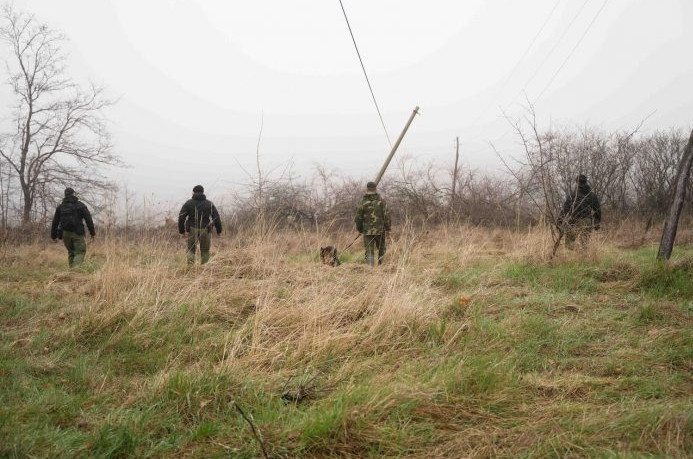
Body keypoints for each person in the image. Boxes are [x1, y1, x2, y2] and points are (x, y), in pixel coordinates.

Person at [50, 187, 95, 267]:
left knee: (71, 252)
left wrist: (53, 236)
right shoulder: (80, 205)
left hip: (65, 234)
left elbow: (55, 222)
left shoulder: (60, 207)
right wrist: (92, 233)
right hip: (78, 233)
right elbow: (89, 219)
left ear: (65, 195)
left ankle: (71, 272)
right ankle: (75, 271)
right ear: (73, 194)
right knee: (80, 252)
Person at [178, 185, 222, 264]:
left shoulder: (188, 203)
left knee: (191, 250)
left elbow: (181, 217)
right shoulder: (209, 203)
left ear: (193, 192)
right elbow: (216, 218)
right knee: (205, 250)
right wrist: (219, 231)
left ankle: (190, 268)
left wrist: (182, 231)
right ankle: (205, 269)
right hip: (205, 229)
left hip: (192, 229)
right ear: (202, 192)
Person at [559, 174, 601, 249]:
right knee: (584, 245)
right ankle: (582, 254)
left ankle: (574, 253)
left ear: (577, 182)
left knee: (569, 244)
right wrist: (596, 223)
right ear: (586, 182)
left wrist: (560, 220)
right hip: (587, 221)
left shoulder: (573, 195)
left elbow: (565, 208)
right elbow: (597, 210)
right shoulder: (592, 195)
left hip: (574, 221)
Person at [355, 181, 391, 266]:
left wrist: (360, 230)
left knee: (369, 251)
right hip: (380, 230)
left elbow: (358, 218)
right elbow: (387, 216)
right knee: (381, 249)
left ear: (367, 189)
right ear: (375, 189)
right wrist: (388, 229)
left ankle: (370, 269)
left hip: (367, 231)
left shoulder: (362, 202)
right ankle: (382, 267)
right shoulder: (382, 201)